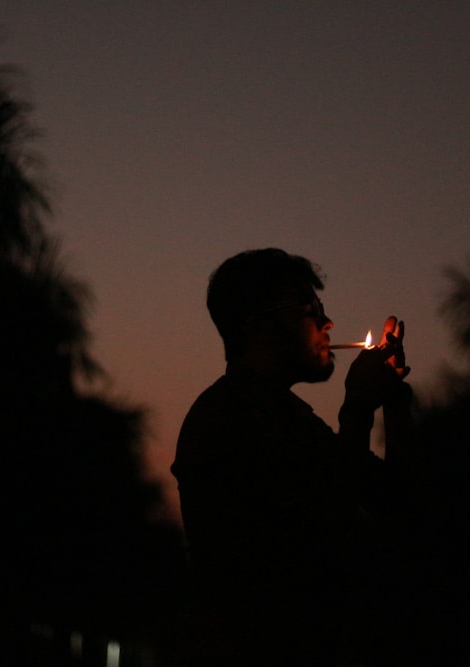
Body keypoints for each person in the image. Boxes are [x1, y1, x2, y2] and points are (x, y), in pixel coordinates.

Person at [170, 248, 414, 665]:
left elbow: (397, 504)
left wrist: (393, 404)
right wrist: (356, 410)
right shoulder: (224, 420)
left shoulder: (293, 418)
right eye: (310, 308)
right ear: (258, 324)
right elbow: (316, 543)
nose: (328, 322)